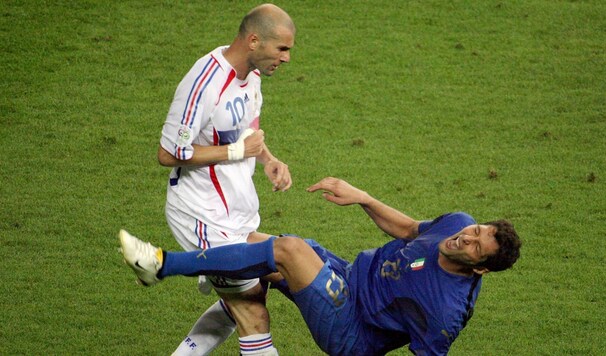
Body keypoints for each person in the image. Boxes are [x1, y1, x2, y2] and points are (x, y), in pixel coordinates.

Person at [120, 177, 522, 355]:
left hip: (352, 332)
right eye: (476, 229)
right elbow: (409, 228)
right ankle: (210, 299)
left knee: (289, 251)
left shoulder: (444, 311)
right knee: (252, 247)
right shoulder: (457, 223)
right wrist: (363, 197)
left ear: (480, 269)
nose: (465, 237)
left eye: (475, 246)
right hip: (347, 276)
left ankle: (161, 265)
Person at [154, 4, 295, 355]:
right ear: (253, 40)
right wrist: (236, 152)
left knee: (252, 291)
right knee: (251, 313)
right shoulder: (205, 81)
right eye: (282, 48)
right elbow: (168, 153)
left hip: (236, 208)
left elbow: (249, 128)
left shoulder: (254, 75)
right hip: (201, 213)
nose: (287, 58)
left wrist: (267, 158)